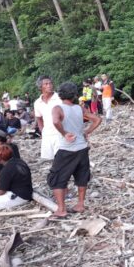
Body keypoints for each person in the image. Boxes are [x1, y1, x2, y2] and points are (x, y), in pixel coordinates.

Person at [47, 82, 102, 218]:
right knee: (82, 176)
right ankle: (80, 204)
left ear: (60, 94)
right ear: (74, 95)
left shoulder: (57, 108)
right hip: (82, 148)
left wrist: (64, 133)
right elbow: (97, 119)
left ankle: (61, 209)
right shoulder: (79, 108)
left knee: (57, 177)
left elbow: (55, 121)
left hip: (66, 148)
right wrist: (87, 131)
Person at [34, 75, 63, 161]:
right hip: (47, 135)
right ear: (40, 87)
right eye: (46, 84)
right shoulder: (37, 103)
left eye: (50, 83)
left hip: (60, 134)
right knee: (51, 160)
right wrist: (43, 132)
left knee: (61, 159)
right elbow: (39, 118)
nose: (49, 85)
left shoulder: (60, 98)